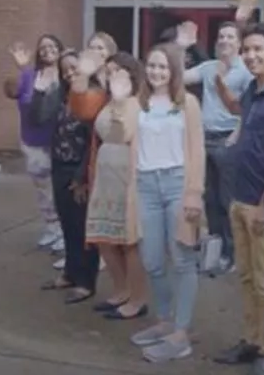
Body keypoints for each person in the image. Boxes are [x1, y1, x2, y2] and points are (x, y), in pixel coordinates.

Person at [107, 43, 206, 362]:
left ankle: (181, 332)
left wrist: (194, 193)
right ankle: (164, 320)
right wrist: (119, 102)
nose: (157, 72)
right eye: (151, 65)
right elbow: (119, 136)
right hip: (146, 187)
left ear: (174, 71)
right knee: (151, 259)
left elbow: (198, 150)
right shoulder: (138, 104)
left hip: (177, 183)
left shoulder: (187, 103)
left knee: (182, 259)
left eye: (163, 67)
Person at [214, 22, 264, 375]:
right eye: (247, 50)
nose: (252, 55)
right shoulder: (251, 92)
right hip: (239, 198)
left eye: (258, 49)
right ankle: (251, 339)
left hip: (262, 204)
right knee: (245, 277)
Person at [71, 46, 149, 317]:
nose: (113, 76)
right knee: (104, 238)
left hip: (126, 174)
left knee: (128, 241)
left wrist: (118, 101)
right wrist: (82, 73)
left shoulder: (135, 104)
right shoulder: (105, 101)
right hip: (104, 174)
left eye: (120, 72)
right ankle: (120, 290)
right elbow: (80, 107)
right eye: (110, 71)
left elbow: (123, 132)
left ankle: (137, 298)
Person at [178, 12, 254, 273]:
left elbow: (247, 109)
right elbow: (179, 77)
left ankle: (235, 255)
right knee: (210, 201)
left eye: (230, 37)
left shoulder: (246, 71)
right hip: (205, 140)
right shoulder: (208, 67)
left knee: (227, 200)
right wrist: (181, 47)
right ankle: (217, 250)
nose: (224, 40)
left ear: (239, 42)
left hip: (228, 141)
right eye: (221, 36)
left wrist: (236, 136)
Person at [32, 49, 100, 302]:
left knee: (82, 227)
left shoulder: (93, 96)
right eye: (65, 71)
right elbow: (38, 117)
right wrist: (39, 89)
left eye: (74, 68)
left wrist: (82, 177)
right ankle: (70, 273)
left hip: (80, 169)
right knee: (67, 224)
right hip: (59, 165)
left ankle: (86, 281)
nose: (70, 73)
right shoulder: (61, 97)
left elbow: (93, 140)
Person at [7, 36, 65, 251]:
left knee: (60, 190)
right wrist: (20, 68)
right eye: (43, 48)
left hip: (59, 143)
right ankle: (51, 228)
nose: (47, 50)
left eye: (52, 46)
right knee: (43, 190)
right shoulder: (30, 75)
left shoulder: (65, 76)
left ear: (60, 49)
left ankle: (64, 232)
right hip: (32, 141)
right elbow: (11, 91)